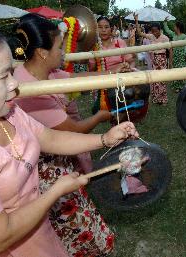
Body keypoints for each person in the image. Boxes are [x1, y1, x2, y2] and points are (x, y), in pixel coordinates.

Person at [0, 17, 139, 256]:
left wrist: (104, 139)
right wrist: (55, 192)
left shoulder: (8, 112)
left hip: (37, 235)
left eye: (12, 72)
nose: (15, 84)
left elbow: (50, 138)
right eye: (3, 76)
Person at [11, 14, 116, 256]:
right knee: (74, 232)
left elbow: (76, 79)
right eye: (60, 47)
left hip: (59, 163)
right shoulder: (30, 90)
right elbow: (71, 131)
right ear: (42, 53)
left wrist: (114, 75)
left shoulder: (44, 73)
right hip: (45, 174)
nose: (64, 53)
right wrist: (101, 118)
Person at [135, 14, 170, 105]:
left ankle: (163, 100)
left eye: (156, 31)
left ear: (160, 29)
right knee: (155, 79)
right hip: (154, 59)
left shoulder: (165, 38)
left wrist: (171, 63)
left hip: (162, 60)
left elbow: (170, 50)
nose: (154, 33)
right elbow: (139, 33)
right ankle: (156, 99)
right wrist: (136, 21)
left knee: (162, 79)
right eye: (153, 31)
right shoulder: (151, 36)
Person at [163, 17, 186, 92]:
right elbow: (167, 30)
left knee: (180, 70)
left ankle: (181, 86)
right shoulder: (173, 35)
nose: (174, 27)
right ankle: (176, 86)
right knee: (175, 70)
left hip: (181, 56)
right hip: (174, 55)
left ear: (178, 27)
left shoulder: (184, 36)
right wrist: (165, 22)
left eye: (175, 26)